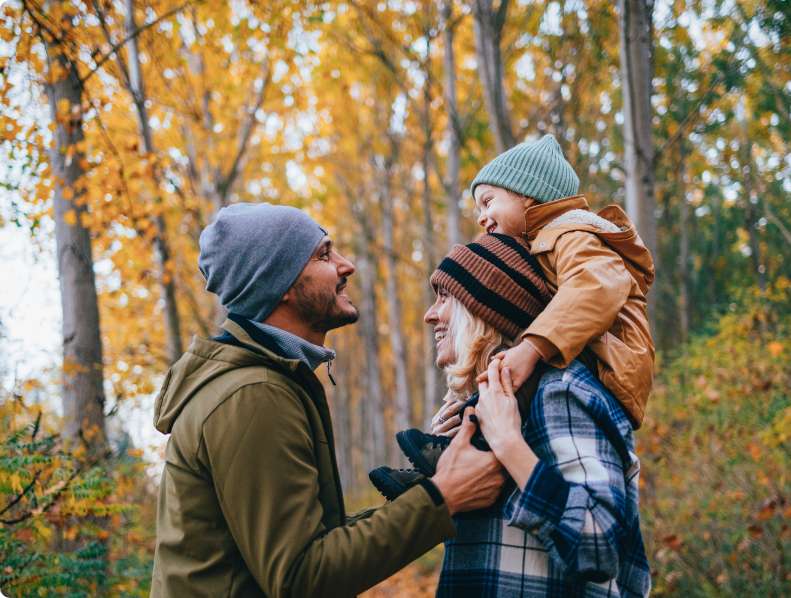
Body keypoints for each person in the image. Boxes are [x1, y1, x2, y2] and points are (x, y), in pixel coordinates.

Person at [150, 203, 505, 598]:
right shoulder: (253, 394)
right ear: (280, 282)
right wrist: (442, 498)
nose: (346, 265)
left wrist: (434, 487)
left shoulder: (264, 382)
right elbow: (303, 577)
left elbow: (311, 544)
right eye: (323, 255)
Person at [425, 236, 650, 596]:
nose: (430, 314)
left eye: (445, 297)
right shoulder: (498, 404)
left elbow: (601, 544)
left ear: (486, 309)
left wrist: (509, 445)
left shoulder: (561, 391)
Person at [471, 133, 655, 428]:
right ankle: (457, 435)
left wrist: (531, 349)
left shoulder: (572, 234)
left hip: (606, 371)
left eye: (488, 202)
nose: (482, 217)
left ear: (527, 192)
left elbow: (594, 288)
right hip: (580, 365)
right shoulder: (545, 243)